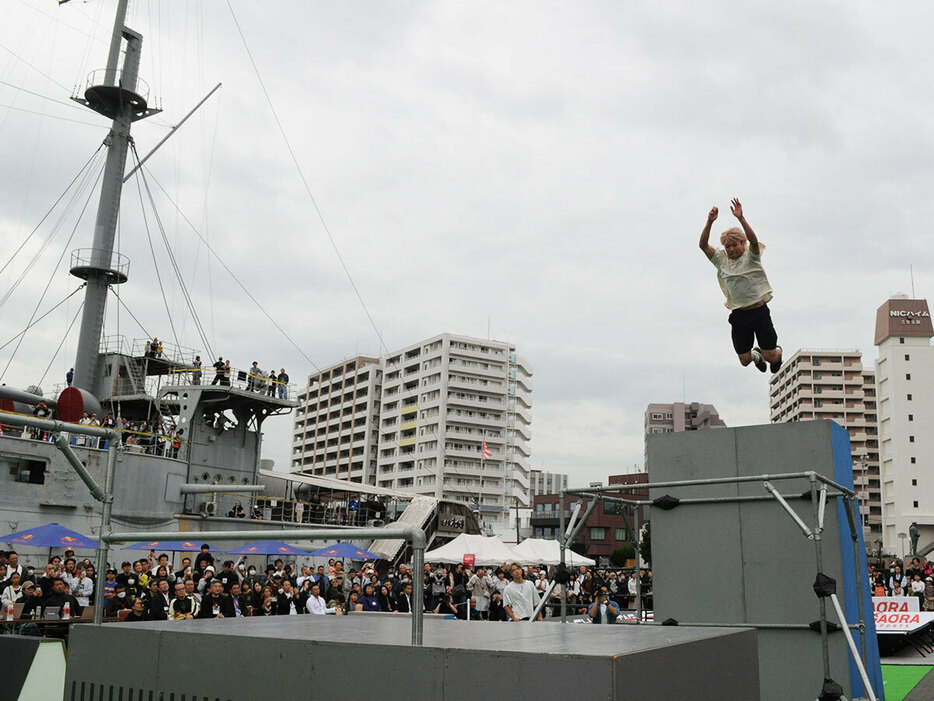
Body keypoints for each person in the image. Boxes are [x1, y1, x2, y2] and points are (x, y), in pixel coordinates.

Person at [699, 198, 783, 374]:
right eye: (727, 246)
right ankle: (756, 356)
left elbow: (753, 241)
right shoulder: (721, 260)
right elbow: (703, 245)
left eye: (734, 245)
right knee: (744, 360)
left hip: (759, 312)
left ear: (742, 244)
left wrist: (741, 218)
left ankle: (778, 353)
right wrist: (709, 221)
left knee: (772, 357)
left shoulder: (751, 256)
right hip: (739, 315)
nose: (731, 249)